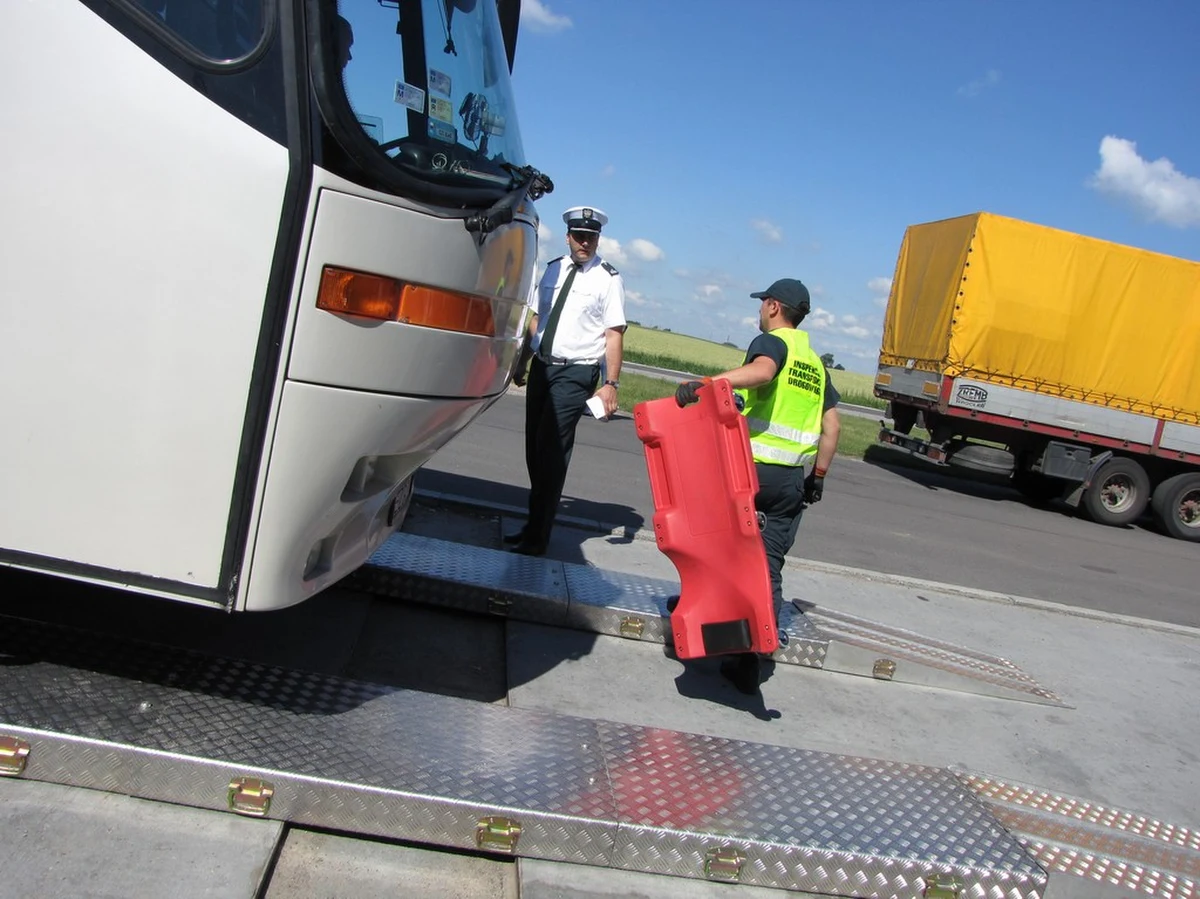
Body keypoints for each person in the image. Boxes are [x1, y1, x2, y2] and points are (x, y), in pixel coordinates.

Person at [675, 278, 841, 694]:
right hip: (789, 482)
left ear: (772, 306)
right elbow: (832, 427)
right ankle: (752, 657)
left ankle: (707, 630)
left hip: (747, 471)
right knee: (768, 564)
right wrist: (817, 478)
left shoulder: (774, 346)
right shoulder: (816, 364)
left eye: (762, 304)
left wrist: (709, 384)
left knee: (715, 550)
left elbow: (763, 372)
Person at [506, 206, 627, 556]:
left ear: (598, 238)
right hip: (544, 367)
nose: (584, 243)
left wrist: (611, 383)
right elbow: (538, 321)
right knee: (534, 449)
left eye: (590, 237)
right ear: (568, 236)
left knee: (552, 451)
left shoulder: (608, 279)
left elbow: (614, 335)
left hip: (576, 373)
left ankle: (537, 538)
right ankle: (533, 525)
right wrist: (523, 361)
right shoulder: (553, 269)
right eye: (578, 236)